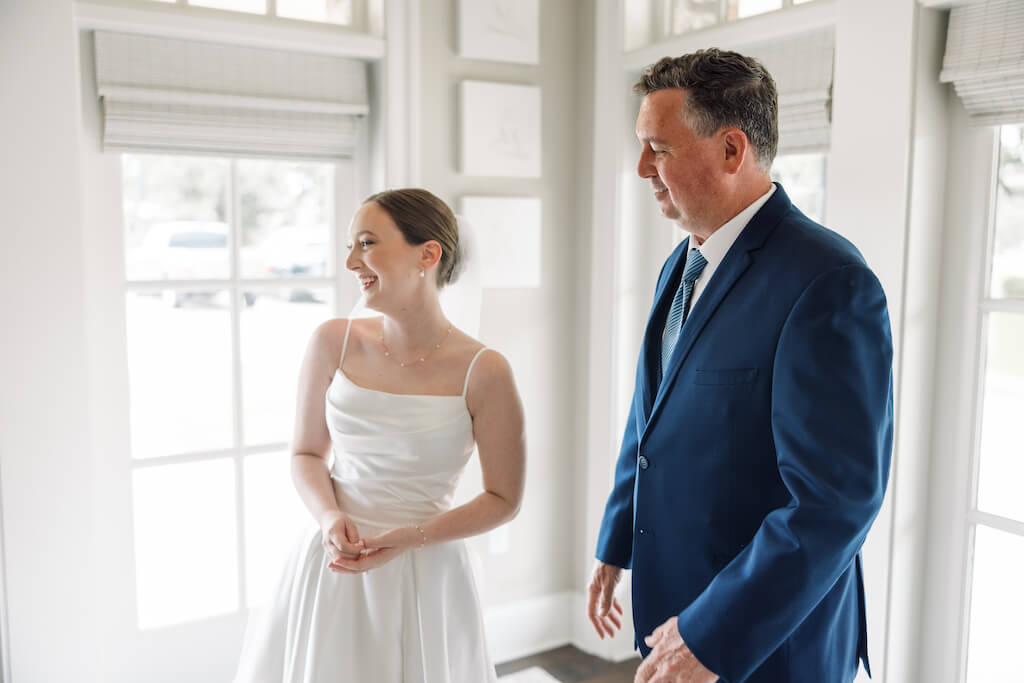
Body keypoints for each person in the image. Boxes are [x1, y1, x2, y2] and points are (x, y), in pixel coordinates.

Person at [586, 49, 894, 683]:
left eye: (659, 148)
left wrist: (711, 634)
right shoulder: (682, 263)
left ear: (731, 150)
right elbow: (651, 416)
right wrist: (617, 542)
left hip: (766, 640)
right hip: (671, 607)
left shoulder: (828, 281)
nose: (642, 168)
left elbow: (835, 502)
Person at [233, 188, 526, 683]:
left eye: (366, 243)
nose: (351, 261)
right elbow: (306, 452)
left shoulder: (486, 371)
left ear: (427, 254)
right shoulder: (333, 341)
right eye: (350, 245)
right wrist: (329, 518)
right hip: (332, 564)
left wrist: (412, 538)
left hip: (427, 572)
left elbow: (503, 498)